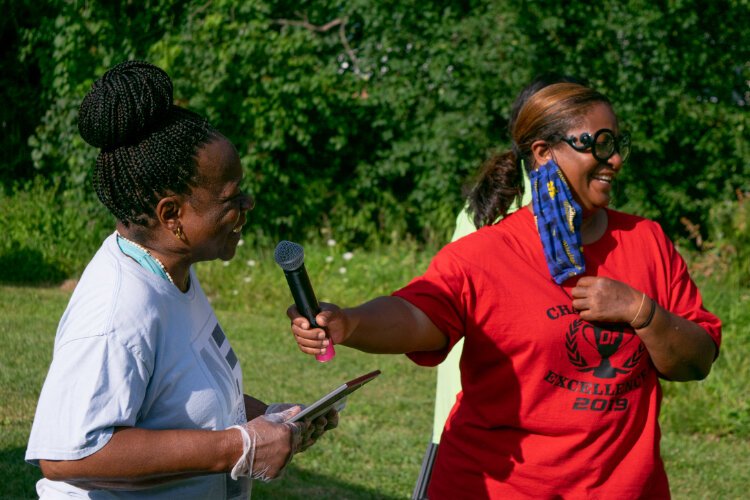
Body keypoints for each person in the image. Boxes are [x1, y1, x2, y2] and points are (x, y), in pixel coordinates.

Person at [288, 82, 722, 498]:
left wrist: (641, 311)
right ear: (543, 152)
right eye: (599, 143)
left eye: (617, 145)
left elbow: (696, 360)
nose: (615, 160)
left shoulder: (647, 242)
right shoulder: (484, 255)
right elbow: (417, 314)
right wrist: (351, 322)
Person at [25, 60, 336, 499]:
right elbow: (67, 454)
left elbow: (182, 403)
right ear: (172, 215)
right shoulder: (118, 308)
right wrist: (237, 446)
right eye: (231, 197)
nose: (247, 204)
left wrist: (268, 421)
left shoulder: (171, 273)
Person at [431, 74, 587, 450]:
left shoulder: (484, 202)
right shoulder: (552, 212)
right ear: (543, 145)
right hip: (506, 422)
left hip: (465, 417)